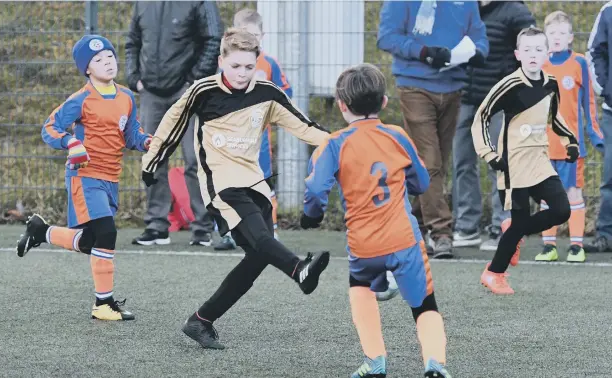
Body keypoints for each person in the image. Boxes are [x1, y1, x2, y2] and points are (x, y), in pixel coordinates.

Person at [140, 28, 332, 350]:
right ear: (221, 62)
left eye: (248, 67)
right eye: (235, 66)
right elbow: (172, 124)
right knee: (261, 240)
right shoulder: (203, 91)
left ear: (257, 63)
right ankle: (300, 269)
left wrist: (344, 143)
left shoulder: (268, 93)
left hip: (254, 182)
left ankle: (200, 321)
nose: (242, 73)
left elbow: (304, 127)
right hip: (221, 185)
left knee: (257, 258)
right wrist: (152, 161)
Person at [301, 63, 450, 378]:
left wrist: (311, 215)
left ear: (342, 106)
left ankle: (375, 361)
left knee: (360, 289)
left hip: (364, 243)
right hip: (404, 239)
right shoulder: (396, 135)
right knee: (424, 304)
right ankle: (434, 364)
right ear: (384, 103)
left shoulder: (334, 143)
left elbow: (315, 189)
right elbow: (422, 182)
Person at [16, 35, 151, 320]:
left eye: (111, 57)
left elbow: (131, 136)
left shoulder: (126, 97)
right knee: (107, 233)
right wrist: (70, 143)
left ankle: (42, 232)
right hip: (85, 176)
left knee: (91, 241)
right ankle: (103, 304)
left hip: (111, 178)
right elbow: (50, 128)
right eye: (99, 60)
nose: (108, 63)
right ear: (87, 69)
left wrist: (146, 142)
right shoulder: (81, 99)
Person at [377, 0, 489, 258]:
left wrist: (478, 52)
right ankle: (441, 233)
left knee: (434, 166)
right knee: (430, 162)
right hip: (415, 86)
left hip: (453, 87)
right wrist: (423, 51)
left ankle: (409, 224)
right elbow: (387, 37)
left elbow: (479, 36)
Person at [472, 27, 578, 295]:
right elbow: (482, 117)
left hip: (540, 162)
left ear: (547, 53)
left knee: (562, 210)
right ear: (518, 54)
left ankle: (514, 230)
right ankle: (494, 273)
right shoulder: (509, 86)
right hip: (513, 166)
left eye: (538, 49)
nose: (533, 55)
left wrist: (570, 141)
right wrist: (490, 154)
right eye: (527, 50)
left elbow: (554, 117)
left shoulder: (550, 83)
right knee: (519, 223)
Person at [125, 1, 223, 247]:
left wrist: (194, 81)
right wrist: (134, 78)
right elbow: (133, 41)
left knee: (195, 160)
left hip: (188, 92)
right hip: (151, 93)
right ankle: (156, 226)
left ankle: (202, 228)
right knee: (153, 158)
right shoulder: (143, 4)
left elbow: (213, 39)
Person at [452, 0, 535, 251]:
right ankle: (467, 227)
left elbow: (533, 51)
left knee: (500, 165)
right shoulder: (461, 8)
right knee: (463, 164)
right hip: (464, 98)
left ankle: (503, 227)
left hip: (500, 102)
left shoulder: (516, 11)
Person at [214, 8, 293, 250]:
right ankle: (229, 232)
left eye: (255, 35)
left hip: (259, 140)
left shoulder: (269, 64)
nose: (250, 40)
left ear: (263, 36)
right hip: (230, 140)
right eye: (244, 34)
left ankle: (271, 230)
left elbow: (285, 93)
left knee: (262, 183)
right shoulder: (228, 63)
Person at [537, 11, 605, 263]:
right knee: (546, 196)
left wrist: (594, 134)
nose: (556, 38)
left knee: (574, 194)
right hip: (543, 147)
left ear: (570, 38)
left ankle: (576, 245)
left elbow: (589, 103)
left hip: (571, 147)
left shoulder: (579, 63)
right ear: (545, 36)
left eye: (562, 33)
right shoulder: (539, 64)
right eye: (552, 33)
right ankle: (549, 246)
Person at [586, 1, 612, 253]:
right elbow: (595, 51)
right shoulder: (608, 11)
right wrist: (606, 89)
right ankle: (606, 233)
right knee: (610, 175)